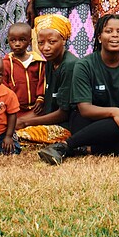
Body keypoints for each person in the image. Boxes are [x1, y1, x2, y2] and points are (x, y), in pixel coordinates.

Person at [38, 14, 119, 163]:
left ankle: (83, 149)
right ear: (99, 37)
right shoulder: (84, 65)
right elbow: (85, 109)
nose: (115, 35)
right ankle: (63, 146)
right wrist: (115, 112)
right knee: (113, 123)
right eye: (108, 31)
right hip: (87, 121)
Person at [13, 13, 78, 145]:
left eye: (52, 42)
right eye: (41, 43)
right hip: (49, 120)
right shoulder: (50, 62)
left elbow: (63, 114)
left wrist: (26, 122)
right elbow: (47, 107)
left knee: (16, 135)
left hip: (65, 127)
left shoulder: (69, 66)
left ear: (64, 40)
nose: (45, 48)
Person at [2, 22, 45, 114]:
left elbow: (42, 82)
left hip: (36, 108)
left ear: (30, 41)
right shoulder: (6, 64)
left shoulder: (38, 62)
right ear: (8, 40)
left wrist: (40, 98)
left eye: (22, 40)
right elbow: (4, 86)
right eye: (13, 40)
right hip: (15, 109)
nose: (17, 44)